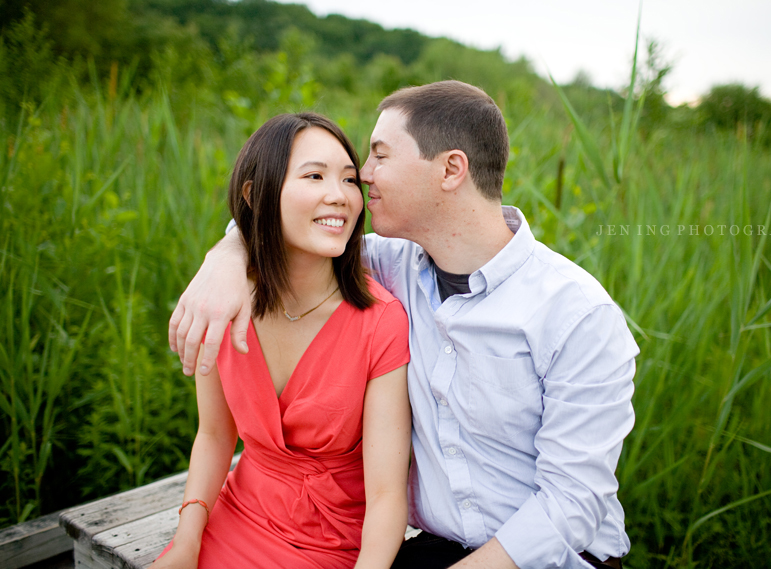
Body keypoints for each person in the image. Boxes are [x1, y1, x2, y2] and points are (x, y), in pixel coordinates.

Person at [170, 81, 639, 569]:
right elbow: (284, 228)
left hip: (553, 557)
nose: (363, 177)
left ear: (451, 169)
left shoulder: (575, 313)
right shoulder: (392, 264)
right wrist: (224, 257)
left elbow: (572, 504)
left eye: (379, 156)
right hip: (435, 547)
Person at [155, 112, 411, 569]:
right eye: (314, 176)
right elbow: (214, 435)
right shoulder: (225, 301)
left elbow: (388, 497)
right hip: (235, 517)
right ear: (256, 195)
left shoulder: (381, 323)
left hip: (333, 544)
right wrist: (187, 541)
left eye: (350, 180)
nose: (339, 196)